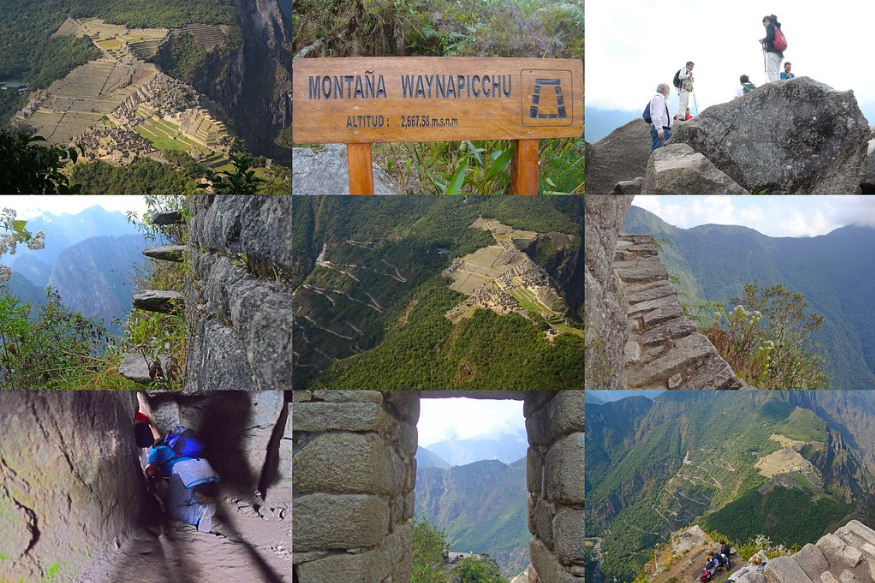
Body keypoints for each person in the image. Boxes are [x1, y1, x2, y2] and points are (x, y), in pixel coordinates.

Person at [139, 413, 219, 533]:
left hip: (183, 471)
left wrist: (146, 468)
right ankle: (199, 507)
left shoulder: (157, 450)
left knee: (173, 510)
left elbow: (150, 472)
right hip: (201, 469)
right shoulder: (174, 449)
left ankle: (198, 512)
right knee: (186, 499)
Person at [649, 83, 673, 153]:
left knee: (663, 152)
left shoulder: (662, 99)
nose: (669, 91)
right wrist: (660, 130)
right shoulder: (658, 99)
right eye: (668, 89)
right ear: (664, 89)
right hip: (662, 130)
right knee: (657, 152)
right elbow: (656, 116)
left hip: (665, 130)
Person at [760, 14, 784, 82]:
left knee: (772, 73)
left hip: (772, 52)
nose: (765, 26)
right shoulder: (777, 27)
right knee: (777, 73)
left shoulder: (770, 26)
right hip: (779, 53)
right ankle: (779, 89)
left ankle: (775, 90)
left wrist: (763, 40)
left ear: (766, 21)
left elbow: (770, 37)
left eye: (764, 24)